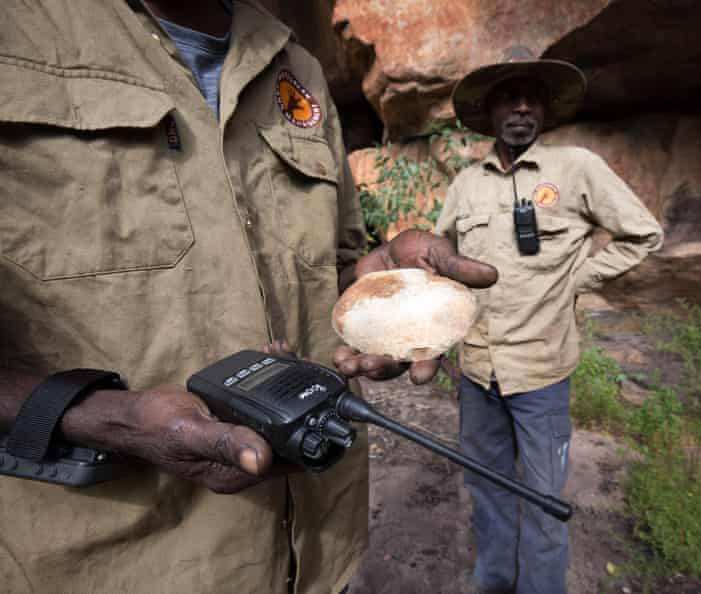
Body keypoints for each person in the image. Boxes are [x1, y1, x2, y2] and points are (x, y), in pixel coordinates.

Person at [0, 2, 495, 593]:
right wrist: (110, 418)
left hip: (317, 547)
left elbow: (332, 266)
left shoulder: (299, 66)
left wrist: (378, 283)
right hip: (120, 565)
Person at [434, 46, 664, 594]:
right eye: (508, 98)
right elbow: (441, 256)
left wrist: (578, 279)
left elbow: (642, 233)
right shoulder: (467, 183)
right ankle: (494, 581)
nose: (520, 108)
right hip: (477, 371)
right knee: (488, 488)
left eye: (532, 98)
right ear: (489, 112)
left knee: (541, 501)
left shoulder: (577, 168)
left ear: (544, 110)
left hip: (541, 371)